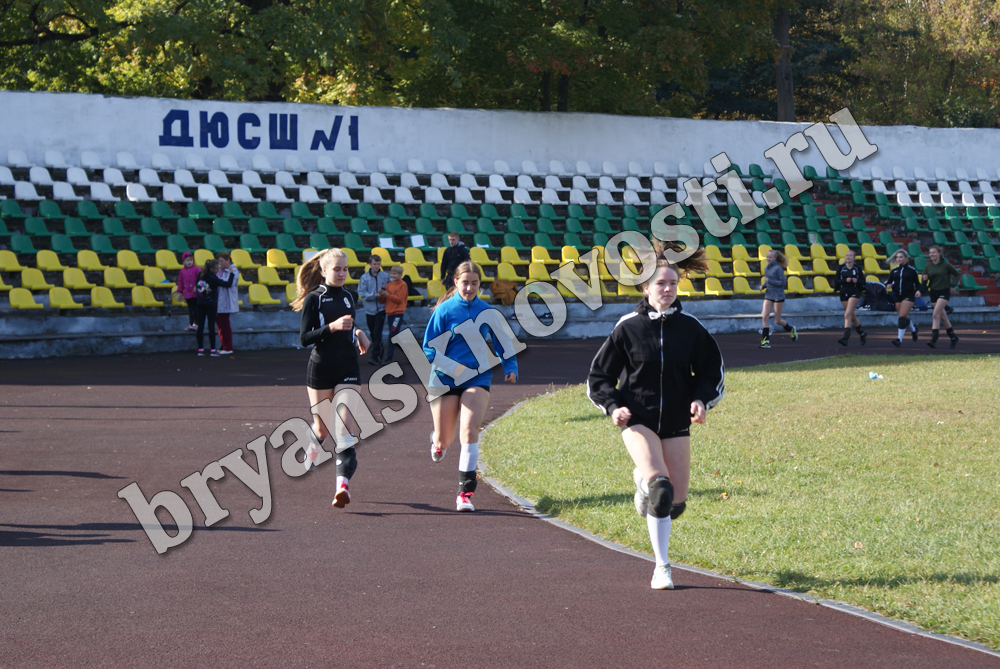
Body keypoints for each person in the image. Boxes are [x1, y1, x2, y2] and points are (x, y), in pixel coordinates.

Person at [587, 242, 724, 590]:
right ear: (645, 287)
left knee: (675, 505)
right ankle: (662, 566)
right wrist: (613, 406)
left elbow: (712, 372)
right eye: (660, 284)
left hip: (677, 421)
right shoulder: (627, 327)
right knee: (662, 490)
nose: (667, 290)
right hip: (638, 419)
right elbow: (599, 377)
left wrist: (701, 400)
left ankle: (641, 482)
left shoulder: (691, 328)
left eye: (672, 284)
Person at [423, 261, 518, 512]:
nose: (469, 288)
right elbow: (428, 348)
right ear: (456, 282)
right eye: (465, 282)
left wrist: (511, 367)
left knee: (469, 431)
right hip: (444, 379)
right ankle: (438, 442)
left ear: (479, 285)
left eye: (474, 283)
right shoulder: (443, 311)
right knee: (445, 439)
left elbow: (503, 343)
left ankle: (465, 493)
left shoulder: (487, 311)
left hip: (477, 377)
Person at [292, 248, 371, 509]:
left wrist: (358, 331)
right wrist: (332, 328)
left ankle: (342, 486)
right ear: (324, 271)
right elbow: (305, 338)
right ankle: (314, 443)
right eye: (336, 269)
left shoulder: (351, 296)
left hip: (348, 365)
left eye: (345, 269)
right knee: (323, 428)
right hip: (321, 367)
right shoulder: (314, 299)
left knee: (344, 428)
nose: (341, 273)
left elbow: (349, 325)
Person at [194, 258, 235, 357]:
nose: (218, 270)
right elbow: (227, 284)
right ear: (212, 269)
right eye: (217, 269)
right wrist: (232, 273)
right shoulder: (213, 278)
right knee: (211, 326)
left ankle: (200, 349)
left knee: (200, 326)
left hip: (200, 303)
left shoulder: (200, 275)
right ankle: (212, 349)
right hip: (211, 304)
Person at [922, 245, 960, 348]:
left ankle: (934, 338)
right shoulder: (928, 266)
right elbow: (924, 283)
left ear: (939, 253)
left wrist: (953, 286)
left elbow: (957, 275)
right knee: (943, 317)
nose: (932, 255)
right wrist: (924, 279)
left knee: (935, 315)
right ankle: (953, 337)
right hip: (933, 292)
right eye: (930, 253)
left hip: (944, 292)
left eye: (934, 252)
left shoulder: (946, 265)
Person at [759, 249, 798, 348]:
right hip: (768, 295)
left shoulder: (778, 269)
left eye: (770, 257)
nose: (768, 259)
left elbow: (783, 283)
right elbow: (768, 281)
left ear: (775, 258)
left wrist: (770, 281)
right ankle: (765, 341)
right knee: (764, 316)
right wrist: (763, 286)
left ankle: (791, 329)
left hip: (778, 296)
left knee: (777, 320)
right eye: (767, 257)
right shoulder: (766, 268)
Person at [885, 248, 922, 347]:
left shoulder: (912, 270)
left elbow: (917, 284)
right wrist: (888, 285)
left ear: (906, 258)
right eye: (897, 257)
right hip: (897, 296)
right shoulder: (894, 271)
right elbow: (888, 282)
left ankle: (899, 340)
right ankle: (914, 331)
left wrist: (918, 290)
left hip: (908, 296)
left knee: (901, 317)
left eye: (901, 257)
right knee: (904, 317)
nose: (899, 259)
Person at [358, 254, 389, 365]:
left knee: (377, 332)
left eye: (378, 264)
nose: (376, 266)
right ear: (370, 264)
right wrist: (373, 295)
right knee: (373, 333)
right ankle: (379, 353)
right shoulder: (364, 278)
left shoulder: (385, 276)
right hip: (369, 310)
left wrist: (384, 293)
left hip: (381, 309)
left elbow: (389, 288)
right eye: (374, 264)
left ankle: (375, 356)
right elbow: (362, 293)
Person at [833, 248, 867, 346]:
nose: (848, 257)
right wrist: (845, 280)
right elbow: (836, 281)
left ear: (854, 258)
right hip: (844, 293)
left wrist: (857, 281)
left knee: (847, 315)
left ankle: (845, 337)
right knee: (852, 316)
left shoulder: (857, 268)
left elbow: (863, 282)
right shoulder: (841, 268)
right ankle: (862, 333)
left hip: (854, 293)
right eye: (847, 255)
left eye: (850, 256)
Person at [214, 251, 240, 355]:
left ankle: (228, 347)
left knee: (224, 324)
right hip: (219, 300)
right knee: (220, 324)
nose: (220, 263)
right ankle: (223, 344)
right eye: (219, 261)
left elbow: (228, 283)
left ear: (228, 260)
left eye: (222, 261)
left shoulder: (233, 271)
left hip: (226, 301)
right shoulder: (221, 270)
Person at [383, 264, 409, 364]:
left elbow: (399, 299)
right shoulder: (388, 285)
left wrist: (387, 294)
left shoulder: (403, 284)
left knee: (392, 335)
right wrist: (381, 294)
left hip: (398, 313)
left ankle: (389, 357)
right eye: (392, 273)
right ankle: (410, 352)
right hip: (389, 313)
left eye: (395, 274)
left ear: (400, 275)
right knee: (395, 335)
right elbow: (383, 300)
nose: (393, 275)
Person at [176, 251, 200, 331]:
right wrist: (179, 292)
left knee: (196, 310)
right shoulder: (182, 271)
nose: (189, 262)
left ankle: (197, 324)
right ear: (183, 262)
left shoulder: (197, 269)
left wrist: (197, 287)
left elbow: (201, 279)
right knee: (190, 310)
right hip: (187, 294)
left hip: (196, 294)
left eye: (191, 260)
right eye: (187, 260)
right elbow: (180, 282)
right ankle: (191, 324)